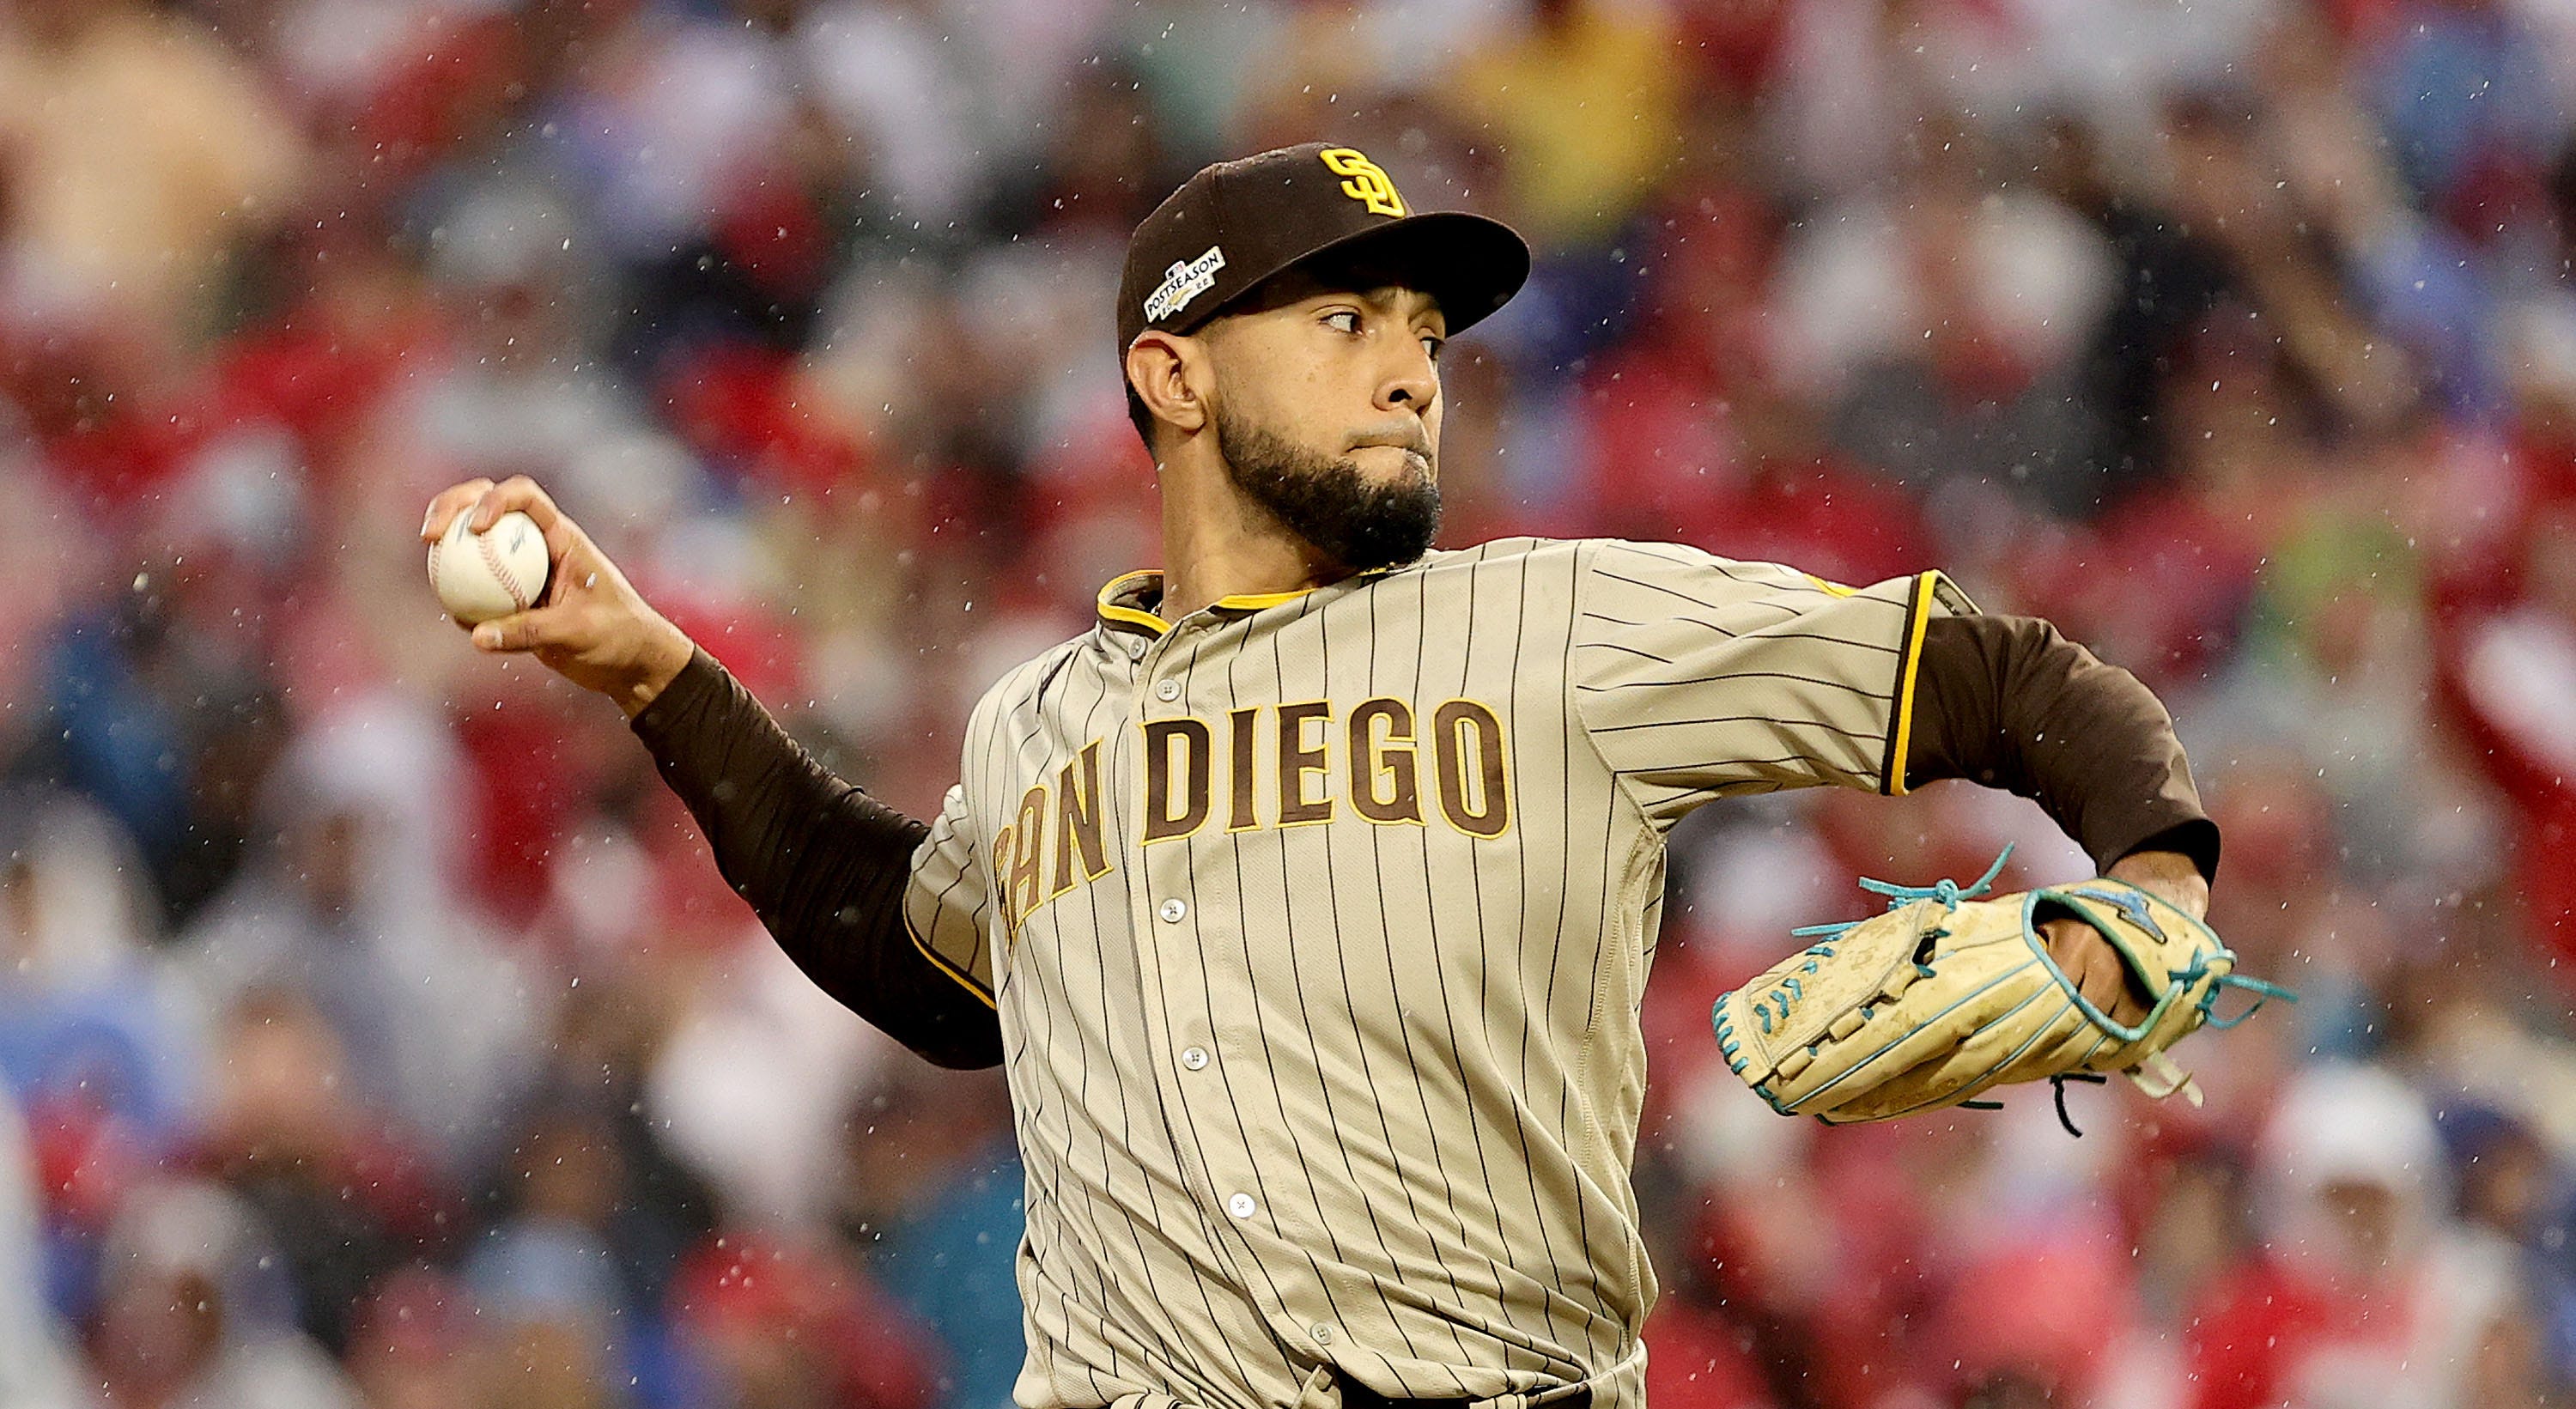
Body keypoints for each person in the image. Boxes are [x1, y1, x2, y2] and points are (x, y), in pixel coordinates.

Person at [422, 143, 2219, 1409]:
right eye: (1345, 320)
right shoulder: (1038, 719)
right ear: (1170, 373)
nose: (1412, 371)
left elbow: (1988, 670)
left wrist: (2158, 869)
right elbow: (922, 961)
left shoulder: (1560, 623)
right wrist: (657, 672)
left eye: (1424, 334)